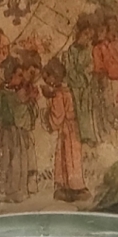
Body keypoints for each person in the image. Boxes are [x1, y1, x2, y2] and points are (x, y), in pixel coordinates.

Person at [0, 50, 41, 202]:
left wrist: (31, 101)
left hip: (19, 134)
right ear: (10, 77)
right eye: (19, 75)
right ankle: (5, 191)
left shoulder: (21, 93)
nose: (22, 78)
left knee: (19, 161)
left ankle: (18, 191)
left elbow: (27, 113)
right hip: (7, 134)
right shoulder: (2, 95)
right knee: (6, 161)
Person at [42, 57, 89, 202]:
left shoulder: (58, 93)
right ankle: (70, 186)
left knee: (69, 157)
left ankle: (74, 186)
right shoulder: (67, 90)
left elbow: (58, 115)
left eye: (48, 77)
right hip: (72, 128)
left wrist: (46, 113)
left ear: (55, 76)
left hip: (67, 130)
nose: (46, 81)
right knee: (69, 156)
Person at [63, 14, 100, 145]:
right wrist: (79, 78)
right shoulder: (70, 52)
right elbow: (69, 71)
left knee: (88, 109)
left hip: (85, 86)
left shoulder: (87, 52)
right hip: (75, 86)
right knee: (78, 110)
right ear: (78, 33)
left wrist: (85, 77)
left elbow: (90, 67)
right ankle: (82, 136)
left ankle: (89, 135)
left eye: (90, 37)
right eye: (85, 35)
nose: (87, 39)